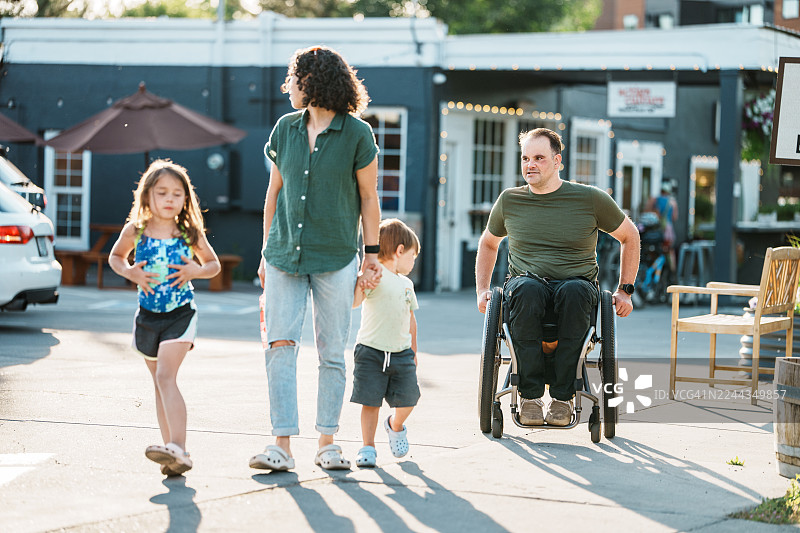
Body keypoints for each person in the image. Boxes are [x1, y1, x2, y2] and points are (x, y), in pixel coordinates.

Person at [249, 45, 381, 472]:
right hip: (283, 256)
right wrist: (265, 253)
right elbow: (273, 194)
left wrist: (371, 256)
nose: (287, 87)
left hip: (337, 257)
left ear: (310, 81)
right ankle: (281, 446)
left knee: (331, 354)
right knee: (279, 348)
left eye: (292, 79)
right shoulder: (285, 128)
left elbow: (368, 197)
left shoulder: (358, 134)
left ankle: (327, 443)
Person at [475, 128, 640, 427]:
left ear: (557, 160)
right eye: (525, 158)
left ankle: (564, 399)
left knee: (576, 291)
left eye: (539, 157)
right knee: (526, 289)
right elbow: (488, 243)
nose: (530, 165)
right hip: (526, 284)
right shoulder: (509, 200)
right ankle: (530, 397)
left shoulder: (589, 199)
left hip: (576, 285)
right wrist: (482, 289)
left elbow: (630, 236)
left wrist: (625, 290)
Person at [108, 159, 221, 476]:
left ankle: (180, 448)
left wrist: (196, 270)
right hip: (147, 317)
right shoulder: (137, 230)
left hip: (180, 314)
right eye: (162, 193)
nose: (170, 199)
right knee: (158, 385)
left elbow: (213, 265)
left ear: (186, 199)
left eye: (177, 194)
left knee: (165, 378)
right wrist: (129, 271)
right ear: (147, 196)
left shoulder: (188, 232)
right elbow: (115, 257)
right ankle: (171, 451)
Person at [351, 218, 420, 468]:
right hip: (370, 349)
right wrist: (361, 277)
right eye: (412, 256)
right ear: (400, 250)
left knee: (409, 398)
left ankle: (396, 424)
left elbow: (411, 319)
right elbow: (355, 301)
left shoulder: (406, 284)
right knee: (370, 401)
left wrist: (413, 351)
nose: (413, 262)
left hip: (401, 353)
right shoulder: (375, 274)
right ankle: (367, 447)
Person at [647, 180, 678, 271]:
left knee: (656, 249)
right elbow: (674, 217)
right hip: (668, 228)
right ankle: (672, 271)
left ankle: (655, 270)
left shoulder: (656, 200)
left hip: (657, 228)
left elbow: (648, 210)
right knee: (669, 250)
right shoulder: (672, 202)